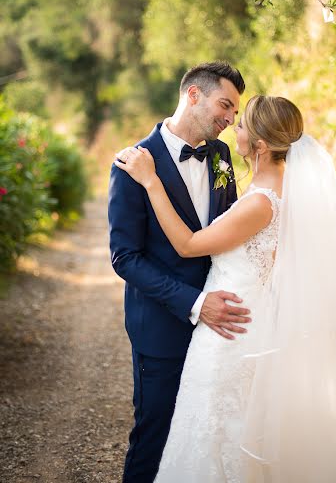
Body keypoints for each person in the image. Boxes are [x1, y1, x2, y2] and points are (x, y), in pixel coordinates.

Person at [115, 95, 336, 483]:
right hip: (247, 323)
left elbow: (189, 245)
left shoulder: (261, 202)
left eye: (242, 122)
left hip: (229, 332)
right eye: (230, 111)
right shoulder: (277, 190)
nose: (234, 125)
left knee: (213, 436)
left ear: (262, 145)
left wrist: (151, 181)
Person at [108, 61, 249, 483]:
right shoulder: (132, 164)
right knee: (155, 436)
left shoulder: (222, 155)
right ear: (193, 95)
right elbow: (125, 257)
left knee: (205, 439)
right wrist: (194, 302)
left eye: (235, 113)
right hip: (161, 326)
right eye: (225, 105)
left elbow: (227, 231)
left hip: (218, 328)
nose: (230, 118)